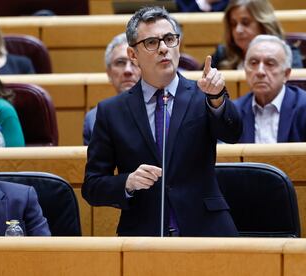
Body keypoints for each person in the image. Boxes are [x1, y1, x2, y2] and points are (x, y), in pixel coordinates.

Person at [82, 6, 242, 237]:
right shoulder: (111, 112)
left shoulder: (204, 93)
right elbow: (92, 187)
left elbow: (233, 133)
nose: (164, 48)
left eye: (169, 39)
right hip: (142, 234)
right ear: (133, 55)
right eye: (152, 43)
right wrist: (128, 182)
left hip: (207, 231)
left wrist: (217, 98)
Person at [234, 35, 306, 143]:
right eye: (253, 63)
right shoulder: (234, 111)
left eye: (270, 64)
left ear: (286, 74)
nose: (260, 71)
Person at [83, 33, 141, 145]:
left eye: (134, 62)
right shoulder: (94, 119)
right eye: (120, 62)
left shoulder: (163, 110)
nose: (127, 70)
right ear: (109, 73)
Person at [211, 0, 303, 70]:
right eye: (233, 24)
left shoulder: (287, 54)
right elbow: (198, 87)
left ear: (263, 24)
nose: (238, 30)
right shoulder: (222, 54)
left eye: (245, 23)